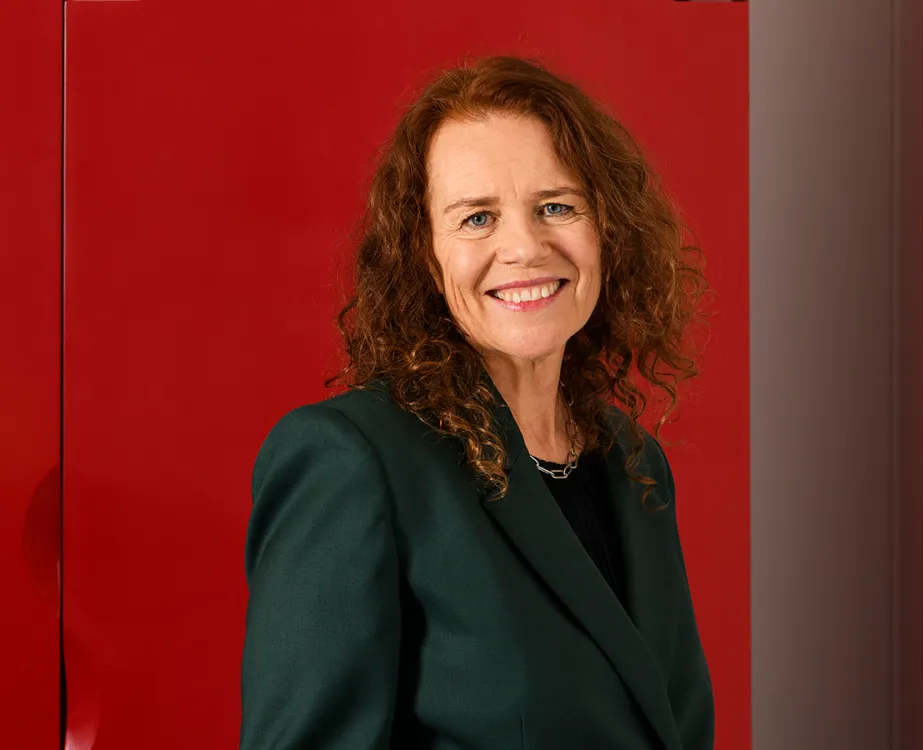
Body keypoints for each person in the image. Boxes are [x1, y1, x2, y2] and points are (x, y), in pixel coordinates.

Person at [240, 54, 714, 750]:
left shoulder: (635, 464)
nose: (524, 246)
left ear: (605, 229)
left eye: (556, 206)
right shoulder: (353, 463)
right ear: (425, 258)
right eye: (477, 219)